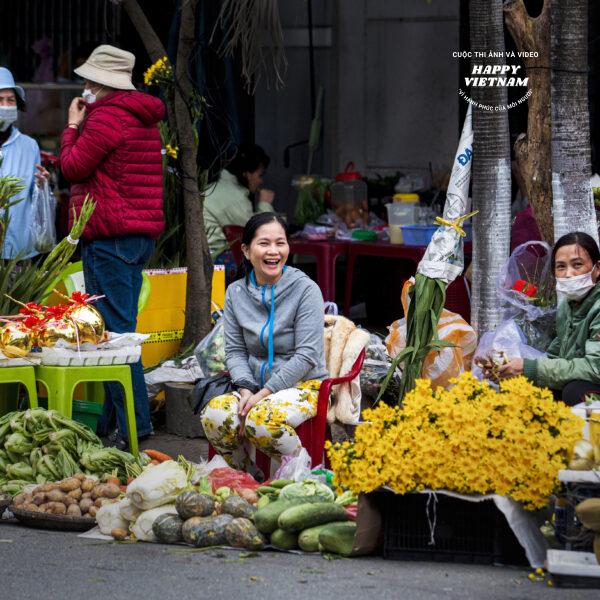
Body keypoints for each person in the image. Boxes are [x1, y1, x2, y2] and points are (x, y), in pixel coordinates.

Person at [59, 45, 165, 448]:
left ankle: (135, 429)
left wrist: (71, 127)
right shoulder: (140, 116)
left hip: (110, 236)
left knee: (116, 339)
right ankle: (107, 425)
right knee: (113, 331)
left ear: (101, 83)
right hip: (135, 237)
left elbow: (72, 167)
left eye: (88, 80)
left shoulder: (105, 117)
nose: (84, 87)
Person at [200, 212, 328, 472]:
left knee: (261, 421)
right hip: (254, 387)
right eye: (264, 243)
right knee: (215, 415)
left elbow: (307, 356)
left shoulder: (306, 290)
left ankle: (306, 474)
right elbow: (234, 350)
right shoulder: (236, 292)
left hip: (304, 385)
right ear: (246, 251)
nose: (274, 251)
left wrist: (264, 393)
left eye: (280, 243)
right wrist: (246, 389)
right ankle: (247, 480)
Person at [494, 231, 600, 406]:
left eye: (577, 264)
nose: (568, 274)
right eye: (561, 267)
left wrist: (530, 368)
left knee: (573, 392)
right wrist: (514, 369)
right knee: (521, 386)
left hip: (592, 377)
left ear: (597, 269)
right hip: (581, 376)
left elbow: (595, 368)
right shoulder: (567, 306)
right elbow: (555, 356)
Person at [204, 144, 275, 280]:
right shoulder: (233, 197)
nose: (261, 181)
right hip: (216, 257)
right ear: (247, 173)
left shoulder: (221, 186)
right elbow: (259, 231)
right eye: (260, 175)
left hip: (209, 255)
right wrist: (265, 204)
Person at [0, 67, 50, 259]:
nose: (5, 105)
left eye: (10, 100)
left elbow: (34, 197)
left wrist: (42, 185)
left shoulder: (29, 146)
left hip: (17, 250)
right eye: (0, 100)